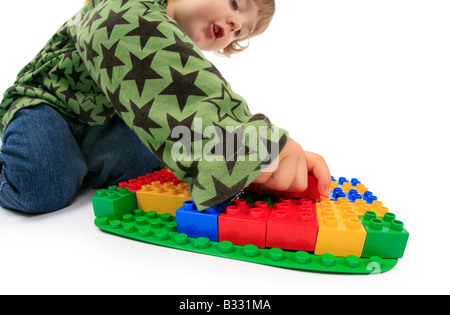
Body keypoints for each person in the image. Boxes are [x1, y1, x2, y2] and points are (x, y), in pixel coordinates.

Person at [0, 0, 330, 214]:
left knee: (158, 161)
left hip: (105, 122)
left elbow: (182, 110)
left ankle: (77, 163)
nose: (233, 24)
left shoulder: (180, 55)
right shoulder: (121, 7)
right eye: (234, 3)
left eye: (240, 31)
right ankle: (57, 163)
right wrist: (249, 146)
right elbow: (178, 91)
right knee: (40, 186)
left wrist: (243, 167)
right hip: (45, 105)